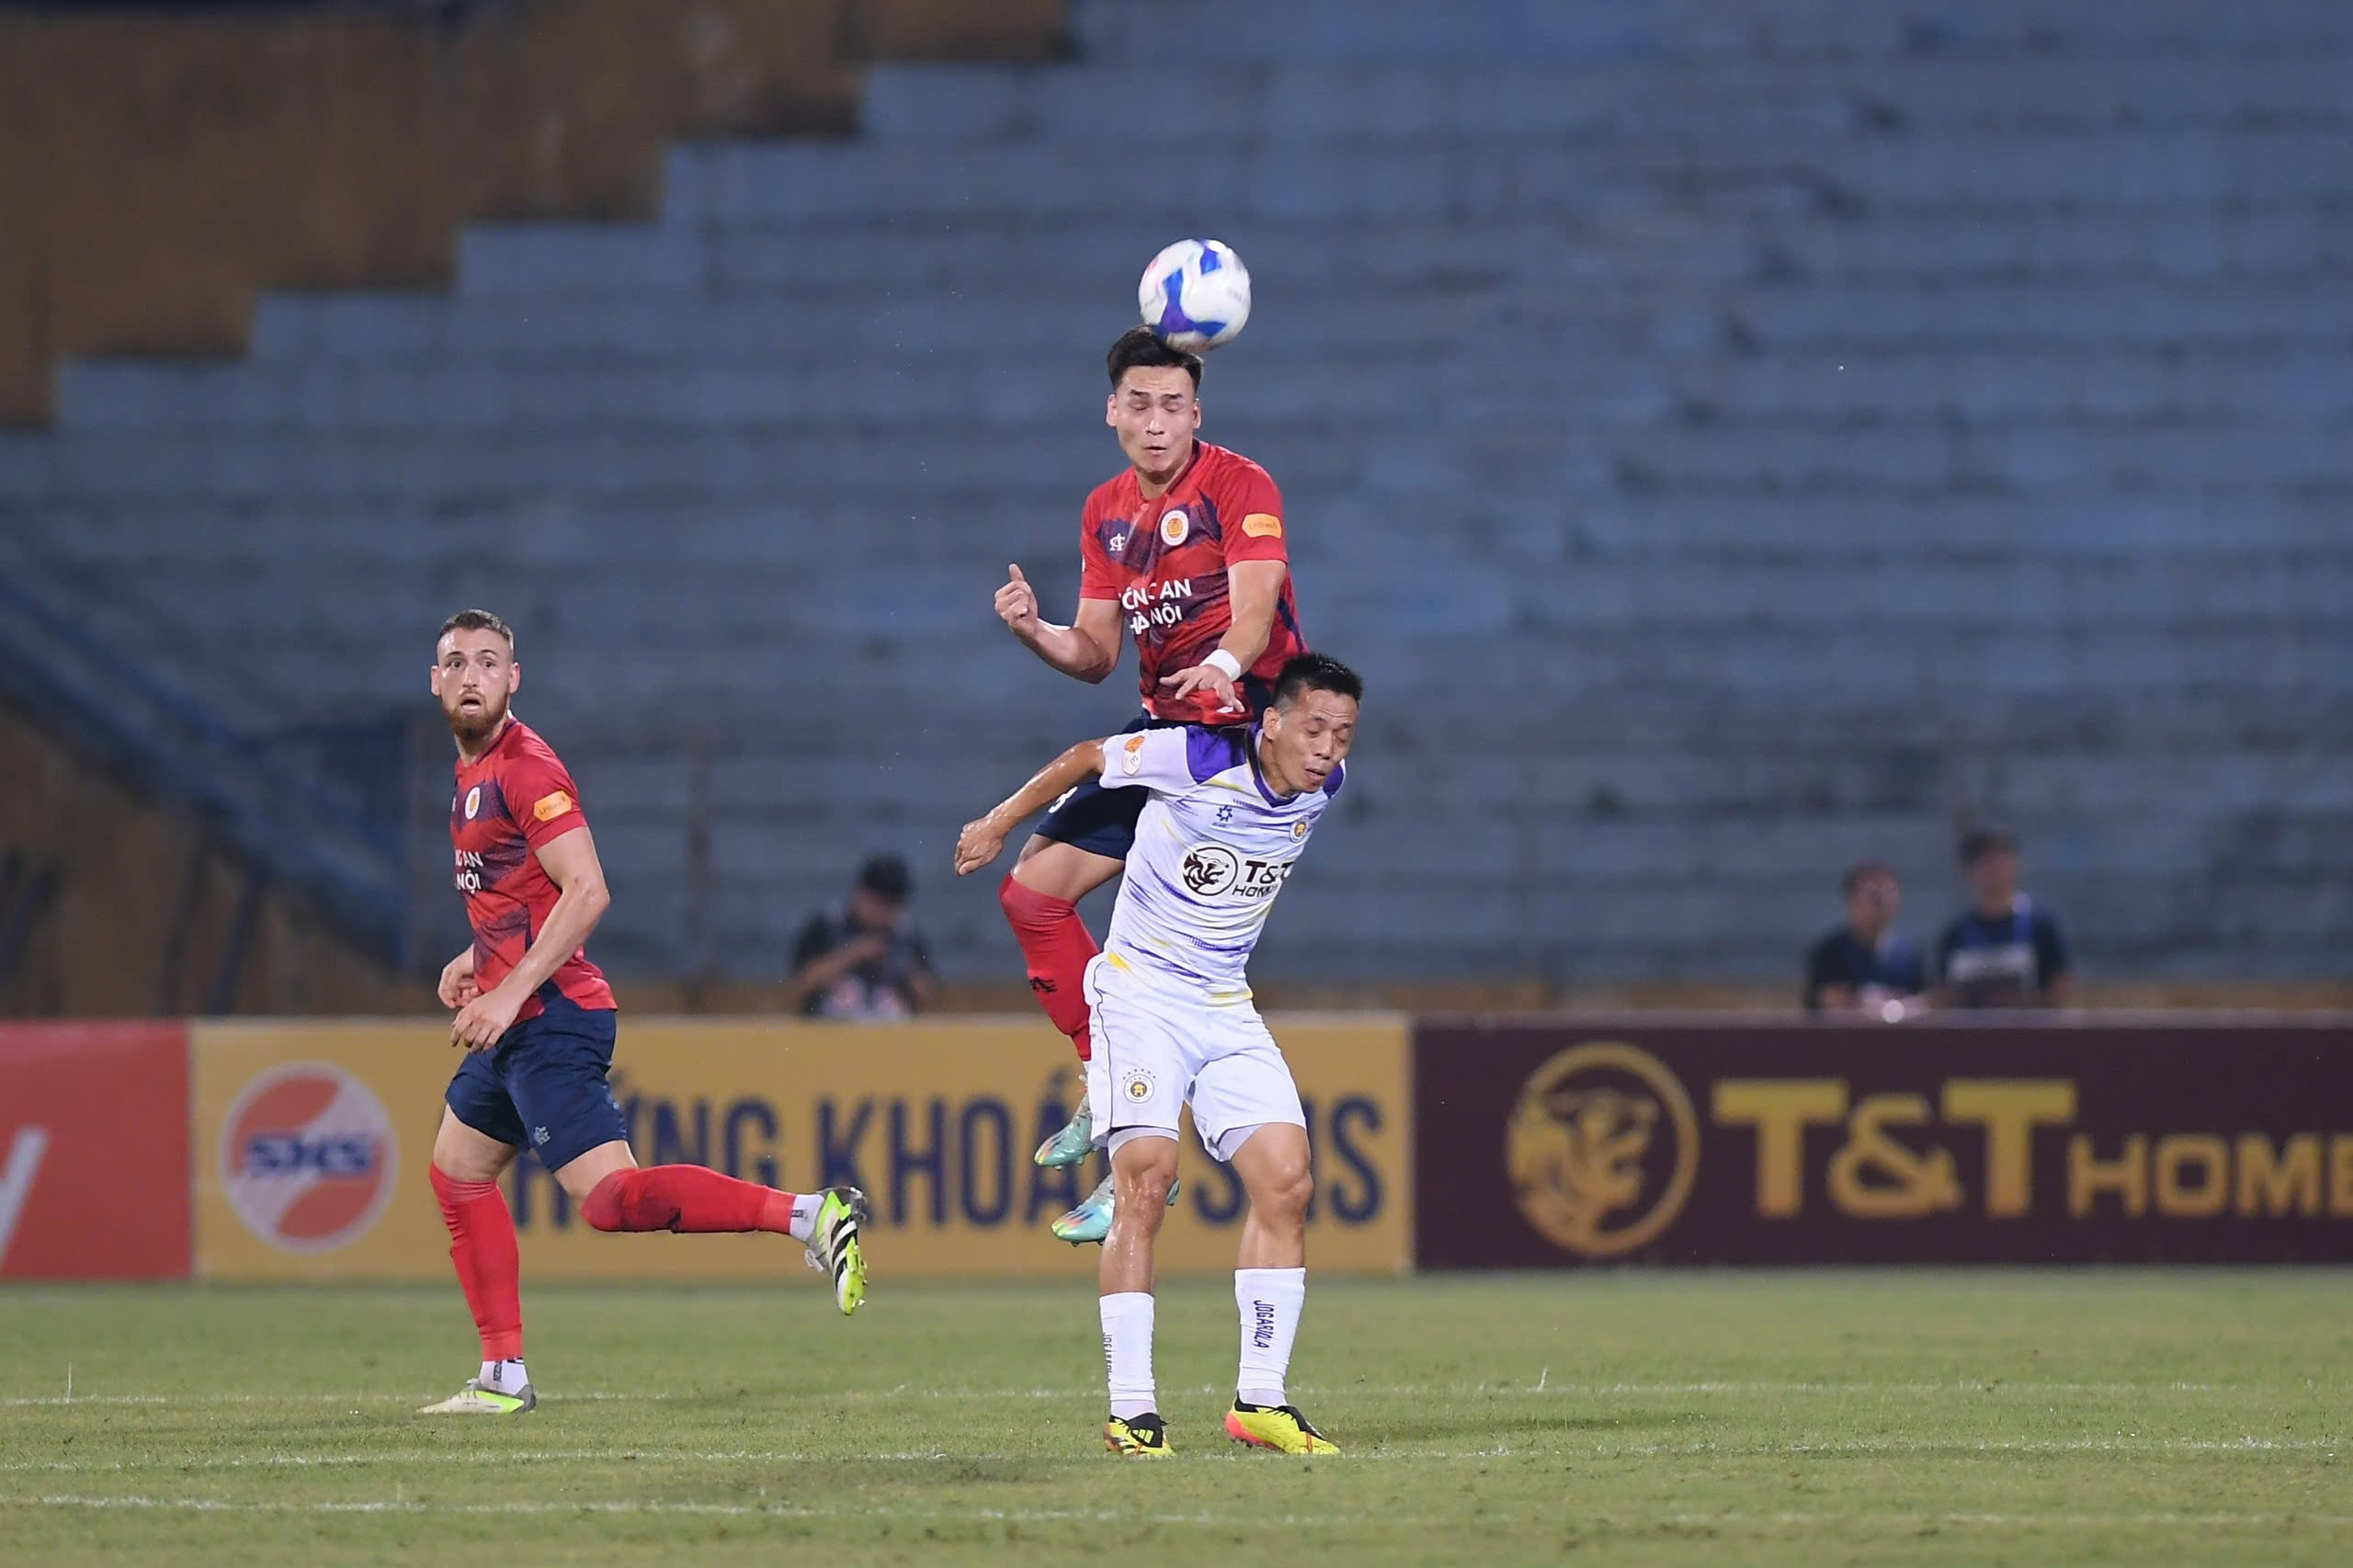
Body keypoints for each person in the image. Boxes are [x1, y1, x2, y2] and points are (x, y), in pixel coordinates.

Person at [418, 608, 869, 1416]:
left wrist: (509, 990)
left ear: (513, 679)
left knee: (611, 1202)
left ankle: (809, 1215)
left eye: (489, 662)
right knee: (456, 1174)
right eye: (456, 663)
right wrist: (475, 963)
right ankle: (502, 1375)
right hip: (518, 1015)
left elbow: (589, 891)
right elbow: (522, 896)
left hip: (551, 1019)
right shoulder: (469, 773)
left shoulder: (526, 768)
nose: (471, 676)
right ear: (436, 681)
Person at [953, 653, 1361, 1457]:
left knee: (1288, 1182)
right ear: (1271, 723)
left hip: (1225, 1004)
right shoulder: (1201, 758)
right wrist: (1000, 824)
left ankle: (1261, 1401)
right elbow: (1088, 757)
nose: (1327, 751)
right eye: (1313, 729)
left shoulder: (1324, 793)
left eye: (1343, 736)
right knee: (1146, 1182)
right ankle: (1132, 1411)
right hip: (1140, 997)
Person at [991, 325, 1310, 1245]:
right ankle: (1110, 1091)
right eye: (1139, 403)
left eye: (1173, 404)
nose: (1156, 421)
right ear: (1112, 411)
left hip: (1243, 740)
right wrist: (1033, 630)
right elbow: (1095, 654)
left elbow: (1255, 610)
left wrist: (1219, 664)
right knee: (1032, 895)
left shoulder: (1240, 485)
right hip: (1165, 732)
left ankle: (1142, 1151)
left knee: (1161, 963)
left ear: (1196, 414)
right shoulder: (1104, 511)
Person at [1936, 827, 2074, 1009]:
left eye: (1999, 861)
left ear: (2015, 865)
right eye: (1984, 863)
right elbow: (1942, 996)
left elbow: (2060, 992)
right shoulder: (1955, 934)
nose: (1993, 871)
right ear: (1968, 872)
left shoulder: (2041, 927)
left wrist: (2015, 1001)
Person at [789, 854, 938, 1019]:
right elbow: (801, 984)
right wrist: (853, 954)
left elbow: (927, 994)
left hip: (890, 1036)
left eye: (891, 906)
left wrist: (900, 965)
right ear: (859, 893)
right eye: (877, 903)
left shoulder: (906, 933)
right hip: (830, 1033)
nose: (882, 913)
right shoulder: (828, 924)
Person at [1804, 861, 1929, 1019]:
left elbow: (1922, 1004)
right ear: (1851, 901)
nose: (1883, 903)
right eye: (1874, 897)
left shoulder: (1908, 955)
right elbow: (1829, 1001)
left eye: (1889, 893)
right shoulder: (1832, 952)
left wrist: (1888, 1008)